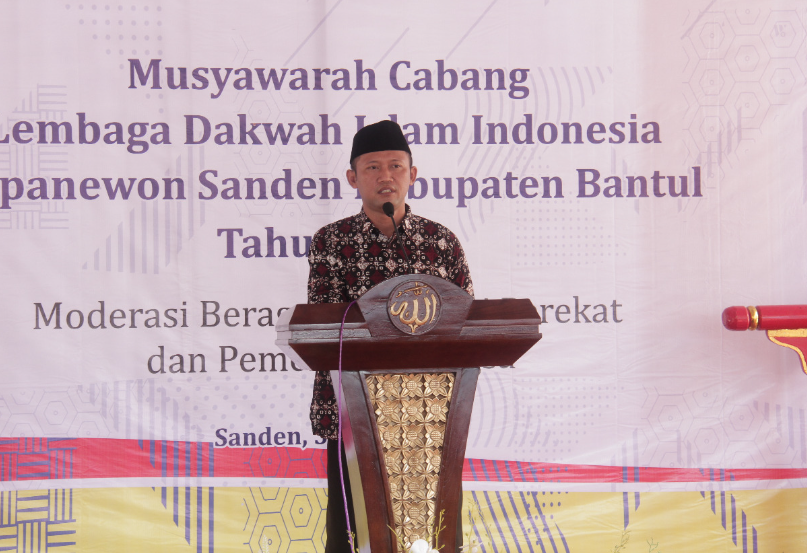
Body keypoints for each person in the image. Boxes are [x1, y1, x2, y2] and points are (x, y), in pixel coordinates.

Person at [307, 119, 473, 553]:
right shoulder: (331, 242)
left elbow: (468, 324)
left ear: (412, 174)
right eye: (373, 167)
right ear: (353, 178)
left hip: (430, 413)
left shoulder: (441, 243)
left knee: (430, 529)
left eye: (396, 166)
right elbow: (325, 327)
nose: (386, 176)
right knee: (355, 532)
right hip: (356, 412)